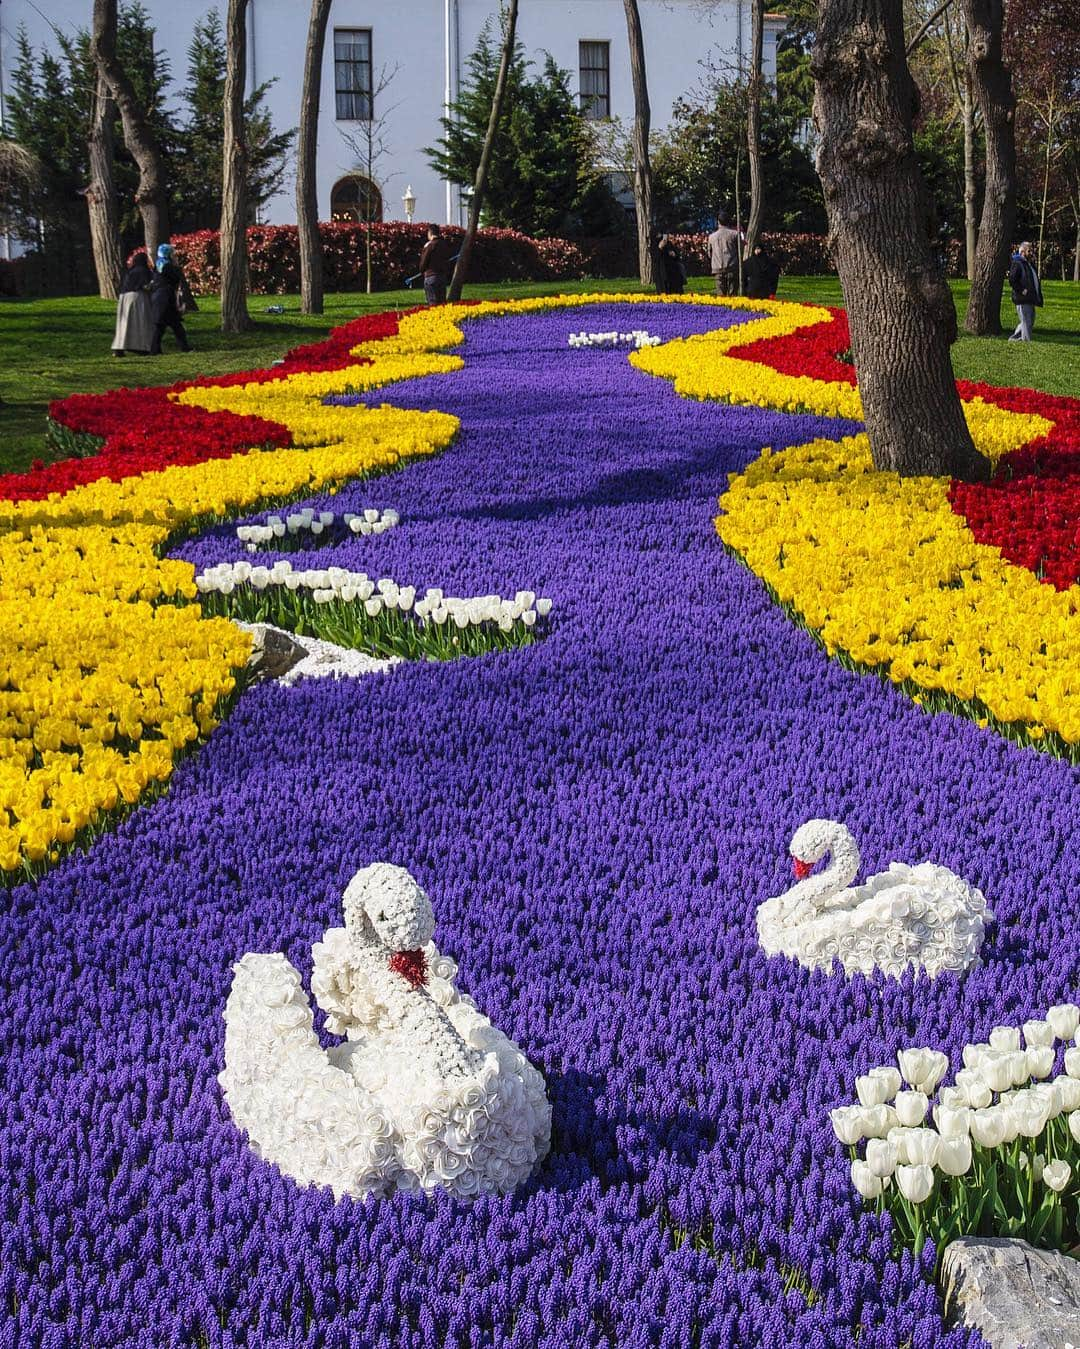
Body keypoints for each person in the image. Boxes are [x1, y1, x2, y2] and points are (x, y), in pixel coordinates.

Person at [149, 242, 196, 354]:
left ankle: (156, 350)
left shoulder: (158, 265)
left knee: (166, 326)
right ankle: (181, 348)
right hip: (166, 298)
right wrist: (177, 266)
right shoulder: (167, 266)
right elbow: (176, 278)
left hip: (159, 297)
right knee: (169, 326)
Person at [111, 248, 155, 357]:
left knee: (124, 324)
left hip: (124, 298)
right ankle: (141, 347)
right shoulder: (144, 271)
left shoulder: (130, 271)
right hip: (137, 297)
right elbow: (146, 285)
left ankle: (119, 347)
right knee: (140, 323)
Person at [1007, 241, 1043, 342]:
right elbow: (1012, 280)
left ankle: (1015, 338)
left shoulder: (1029, 264)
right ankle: (1026, 341)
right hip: (1022, 298)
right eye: (1029, 250)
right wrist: (1021, 290)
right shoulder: (1017, 263)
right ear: (1022, 251)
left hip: (1030, 298)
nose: (1031, 252)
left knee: (1029, 320)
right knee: (1026, 321)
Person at [418, 225, 454, 305]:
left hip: (431, 276)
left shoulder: (430, 246)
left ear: (430, 233)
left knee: (433, 303)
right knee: (442, 303)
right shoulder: (444, 245)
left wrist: (421, 270)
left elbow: (423, 262)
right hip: (442, 276)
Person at [708, 213, 740, 296]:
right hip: (732, 266)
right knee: (733, 295)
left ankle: (722, 309)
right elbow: (740, 251)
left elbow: (709, 253)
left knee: (721, 295)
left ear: (718, 222)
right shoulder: (735, 234)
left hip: (717, 268)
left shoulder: (711, 237)